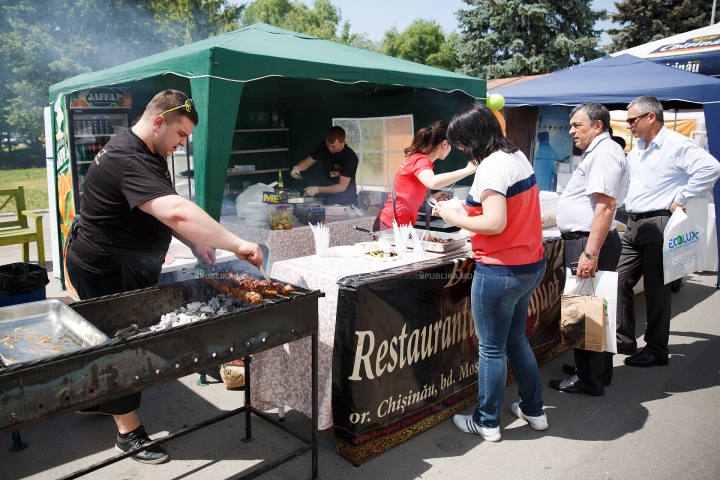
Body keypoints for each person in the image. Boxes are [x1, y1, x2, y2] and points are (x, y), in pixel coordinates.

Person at [65, 89, 263, 464]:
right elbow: (176, 211)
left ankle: (99, 400)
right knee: (123, 342)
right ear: (159, 122)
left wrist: (193, 244)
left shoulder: (147, 151)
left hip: (116, 261)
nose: (182, 143)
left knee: (106, 338)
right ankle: (129, 432)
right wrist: (236, 244)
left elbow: (158, 208)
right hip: (107, 266)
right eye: (181, 135)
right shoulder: (129, 158)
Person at [435, 103, 547, 441]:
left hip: (500, 269)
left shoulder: (492, 167)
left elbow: (494, 222)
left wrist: (453, 217)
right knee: (515, 339)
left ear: (473, 138)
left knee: (492, 348)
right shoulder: (516, 155)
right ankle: (534, 409)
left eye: (462, 143)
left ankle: (486, 421)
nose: (462, 150)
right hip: (530, 264)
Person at [617, 95, 720, 367]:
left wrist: (683, 196)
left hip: (660, 222)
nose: (629, 125)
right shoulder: (638, 147)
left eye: (632, 119)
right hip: (635, 222)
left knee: (656, 288)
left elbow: (711, 167)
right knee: (619, 279)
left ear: (651, 116)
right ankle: (623, 339)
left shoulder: (676, 144)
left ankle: (656, 349)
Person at [549, 102, 628, 396]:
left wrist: (590, 253)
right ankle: (594, 371)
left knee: (584, 312)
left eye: (577, 126)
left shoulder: (604, 154)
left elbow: (606, 206)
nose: (571, 131)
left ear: (597, 126)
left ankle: (589, 378)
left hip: (588, 241)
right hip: (587, 240)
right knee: (593, 310)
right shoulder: (600, 152)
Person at [373, 120, 476, 231]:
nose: (451, 150)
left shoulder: (418, 158)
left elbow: (408, 194)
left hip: (394, 224)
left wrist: (431, 197)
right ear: (445, 144)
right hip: (390, 225)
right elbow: (432, 182)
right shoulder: (421, 160)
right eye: (452, 146)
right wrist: (468, 170)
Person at [290, 126, 359, 205]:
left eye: (333, 146)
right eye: (328, 144)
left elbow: (341, 187)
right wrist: (297, 168)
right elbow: (307, 161)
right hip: (329, 198)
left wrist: (317, 189)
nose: (330, 148)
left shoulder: (350, 157)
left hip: (347, 200)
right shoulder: (324, 147)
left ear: (343, 142)